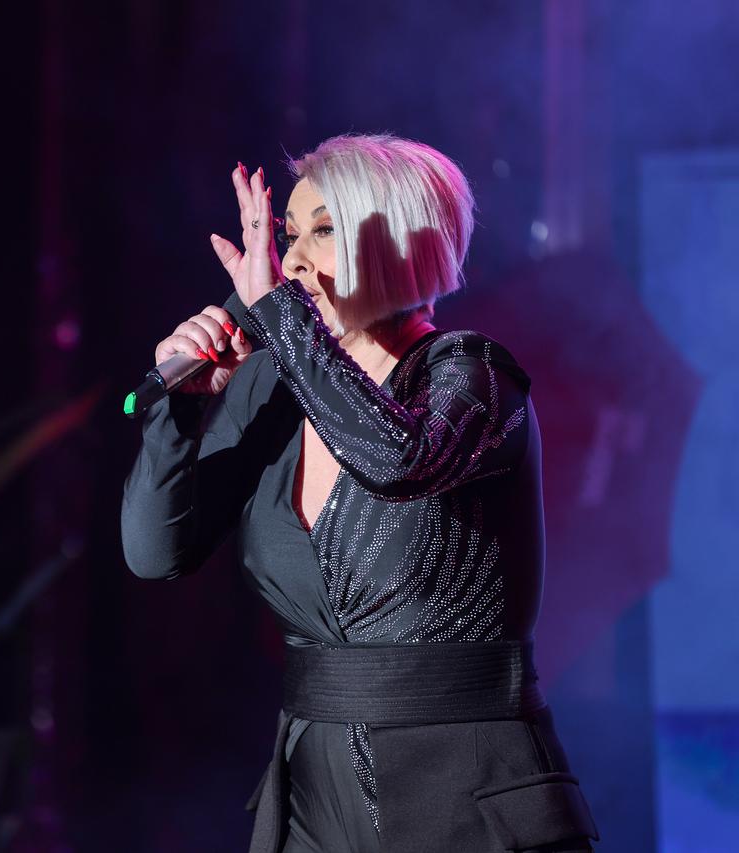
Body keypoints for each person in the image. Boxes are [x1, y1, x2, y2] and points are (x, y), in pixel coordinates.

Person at [120, 134, 599, 852]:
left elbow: (395, 459)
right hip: (314, 800)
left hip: (467, 798)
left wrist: (281, 317)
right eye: (289, 235)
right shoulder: (274, 393)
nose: (293, 261)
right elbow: (156, 552)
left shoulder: (475, 378)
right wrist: (179, 415)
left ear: (404, 244)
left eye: (324, 231)